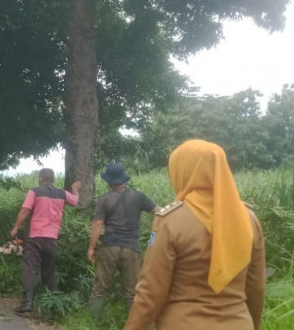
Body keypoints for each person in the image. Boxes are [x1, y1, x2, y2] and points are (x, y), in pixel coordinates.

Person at [125, 140, 266, 330]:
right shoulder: (249, 219)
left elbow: (150, 293)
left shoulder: (171, 221)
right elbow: (256, 287)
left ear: (183, 171)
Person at [87, 163, 160, 323]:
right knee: (132, 291)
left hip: (109, 247)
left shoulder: (104, 199)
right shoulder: (138, 196)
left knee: (100, 289)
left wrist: (91, 248)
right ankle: (133, 325)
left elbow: (98, 224)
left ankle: (93, 323)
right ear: (123, 179)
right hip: (131, 249)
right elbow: (160, 212)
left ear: (109, 181)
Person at [9, 168, 81, 314]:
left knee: (30, 268)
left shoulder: (34, 191)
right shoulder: (62, 193)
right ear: (53, 179)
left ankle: (27, 302)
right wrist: (75, 189)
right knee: (49, 270)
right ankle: (54, 305)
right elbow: (75, 201)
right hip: (52, 238)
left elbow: (25, 211)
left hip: (35, 236)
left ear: (41, 178)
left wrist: (15, 228)